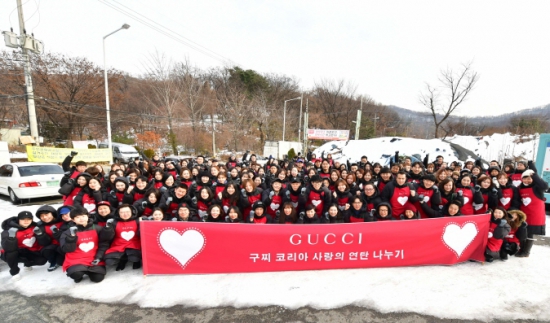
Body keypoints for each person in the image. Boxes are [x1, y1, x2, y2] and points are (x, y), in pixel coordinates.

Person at [60, 207, 110, 283]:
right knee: (76, 274)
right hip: (76, 259)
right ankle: (80, 273)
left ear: (87, 216)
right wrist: (72, 238)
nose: (81, 219)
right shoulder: (67, 232)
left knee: (98, 278)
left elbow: (103, 244)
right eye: (77, 217)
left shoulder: (98, 228)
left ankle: (88, 271)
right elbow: (67, 249)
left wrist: (99, 257)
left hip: (94, 257)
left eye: (83, 216)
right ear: (73, 219)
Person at [1, 211, 50, 280]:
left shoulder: (35, 227)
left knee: (42, 260)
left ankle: (28, 264)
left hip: (29, 251)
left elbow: (45, 242)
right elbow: (7, 248)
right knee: (11, 253)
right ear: (18, 220)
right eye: (23, 219)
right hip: (16, 252)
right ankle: (14, 272)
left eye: (29, 219)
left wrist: (41, 235)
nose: (26, 221)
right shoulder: (8, 230)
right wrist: (11, 239)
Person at [517, 168, 548, 257]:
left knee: (530, 232)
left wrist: (534, 175)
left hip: (535, 214)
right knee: (522, 231)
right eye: (525, 178)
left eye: (529, 178)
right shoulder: (520, 187)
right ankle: (521, 249)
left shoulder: (537, 188)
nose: (527, 180)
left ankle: (526, 252)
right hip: (524, 213)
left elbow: (545, 186)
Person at [102, 204, 142, 271]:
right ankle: (122, 259)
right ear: (118, 213)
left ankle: (135, 260)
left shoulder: (137, 221)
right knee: (109, 261)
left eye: (127, 212)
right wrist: (107, 228)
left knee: (134, 258)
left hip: (134, 245)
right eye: (122, 212)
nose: (125, 214)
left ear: (132, 212)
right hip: (118, 245)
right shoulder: (114, 222)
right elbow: (107, 237)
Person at [34, 205, 64, 271]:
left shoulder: (62, 220)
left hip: (64, 244)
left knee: (61, 262)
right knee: (46, 250)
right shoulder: (40, 225)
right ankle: (53, 261)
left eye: (47, 214)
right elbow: (44, 243)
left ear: (53, 213)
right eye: (42, 216)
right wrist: (40, 235)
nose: (45, 217)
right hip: (51, 245)